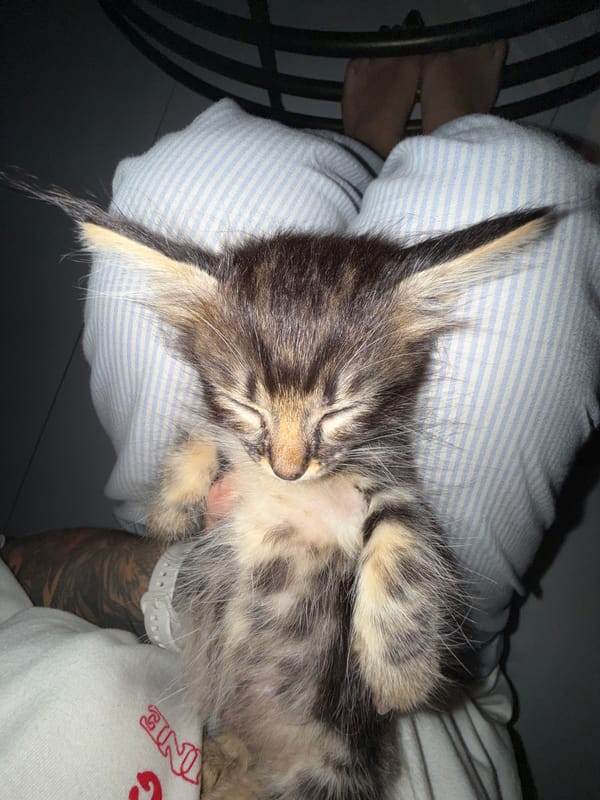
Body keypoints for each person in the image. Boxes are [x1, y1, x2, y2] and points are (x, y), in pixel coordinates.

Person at [1, 37, 598, 800]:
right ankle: (447, 134)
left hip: (192, 582)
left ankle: (362, 144)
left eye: (319, 427)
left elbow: (21, 564)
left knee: (176, 182)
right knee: (522, 182)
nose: (290, 460)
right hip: (413, 722)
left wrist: (178, 549)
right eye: (271, 432)